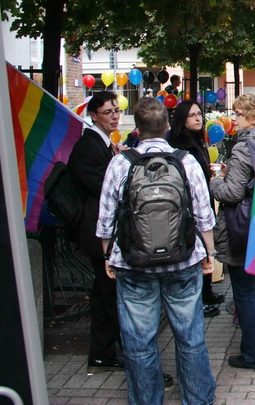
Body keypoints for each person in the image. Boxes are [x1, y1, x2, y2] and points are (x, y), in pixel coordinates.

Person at [96, 98, 216, 404]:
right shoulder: (185, 161)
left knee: (139, 343)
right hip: (183, 260)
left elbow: (106, 219)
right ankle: (198, 399)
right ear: (166, 127)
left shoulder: (120, 163)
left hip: (133, 264)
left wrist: (109, 255)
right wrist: (209, 253)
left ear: (137, 129)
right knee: (190, 337)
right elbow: (204, 215)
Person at [211, 92, 255, 370]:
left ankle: (252, 355)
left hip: (241, 228)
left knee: (243, 292)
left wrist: (216, 181)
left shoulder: (242, 147)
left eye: (239, 114)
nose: (234, 118)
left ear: (253, 118)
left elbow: (232, 193)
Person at [68, 91, 125, 375]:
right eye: (108, 112)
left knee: (104, 294)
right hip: (95, 231)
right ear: (93, 115)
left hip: (100, 229)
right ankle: (126, 353)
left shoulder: (103, 143)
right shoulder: (89, 146)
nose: (115, 116)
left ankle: (102, 354)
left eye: (117, 110)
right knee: (109, 293)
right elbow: (104, 188)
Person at [168, 99, 224, 316]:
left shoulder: (196, 139)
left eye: (199, 114)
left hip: (203, 198)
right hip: (190, 204)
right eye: (192, 115)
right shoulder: (180, 143)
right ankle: (199, 298)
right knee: (198, 248)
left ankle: (206, 292)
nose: (198, 118)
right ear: (182, 120)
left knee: (204, 246)